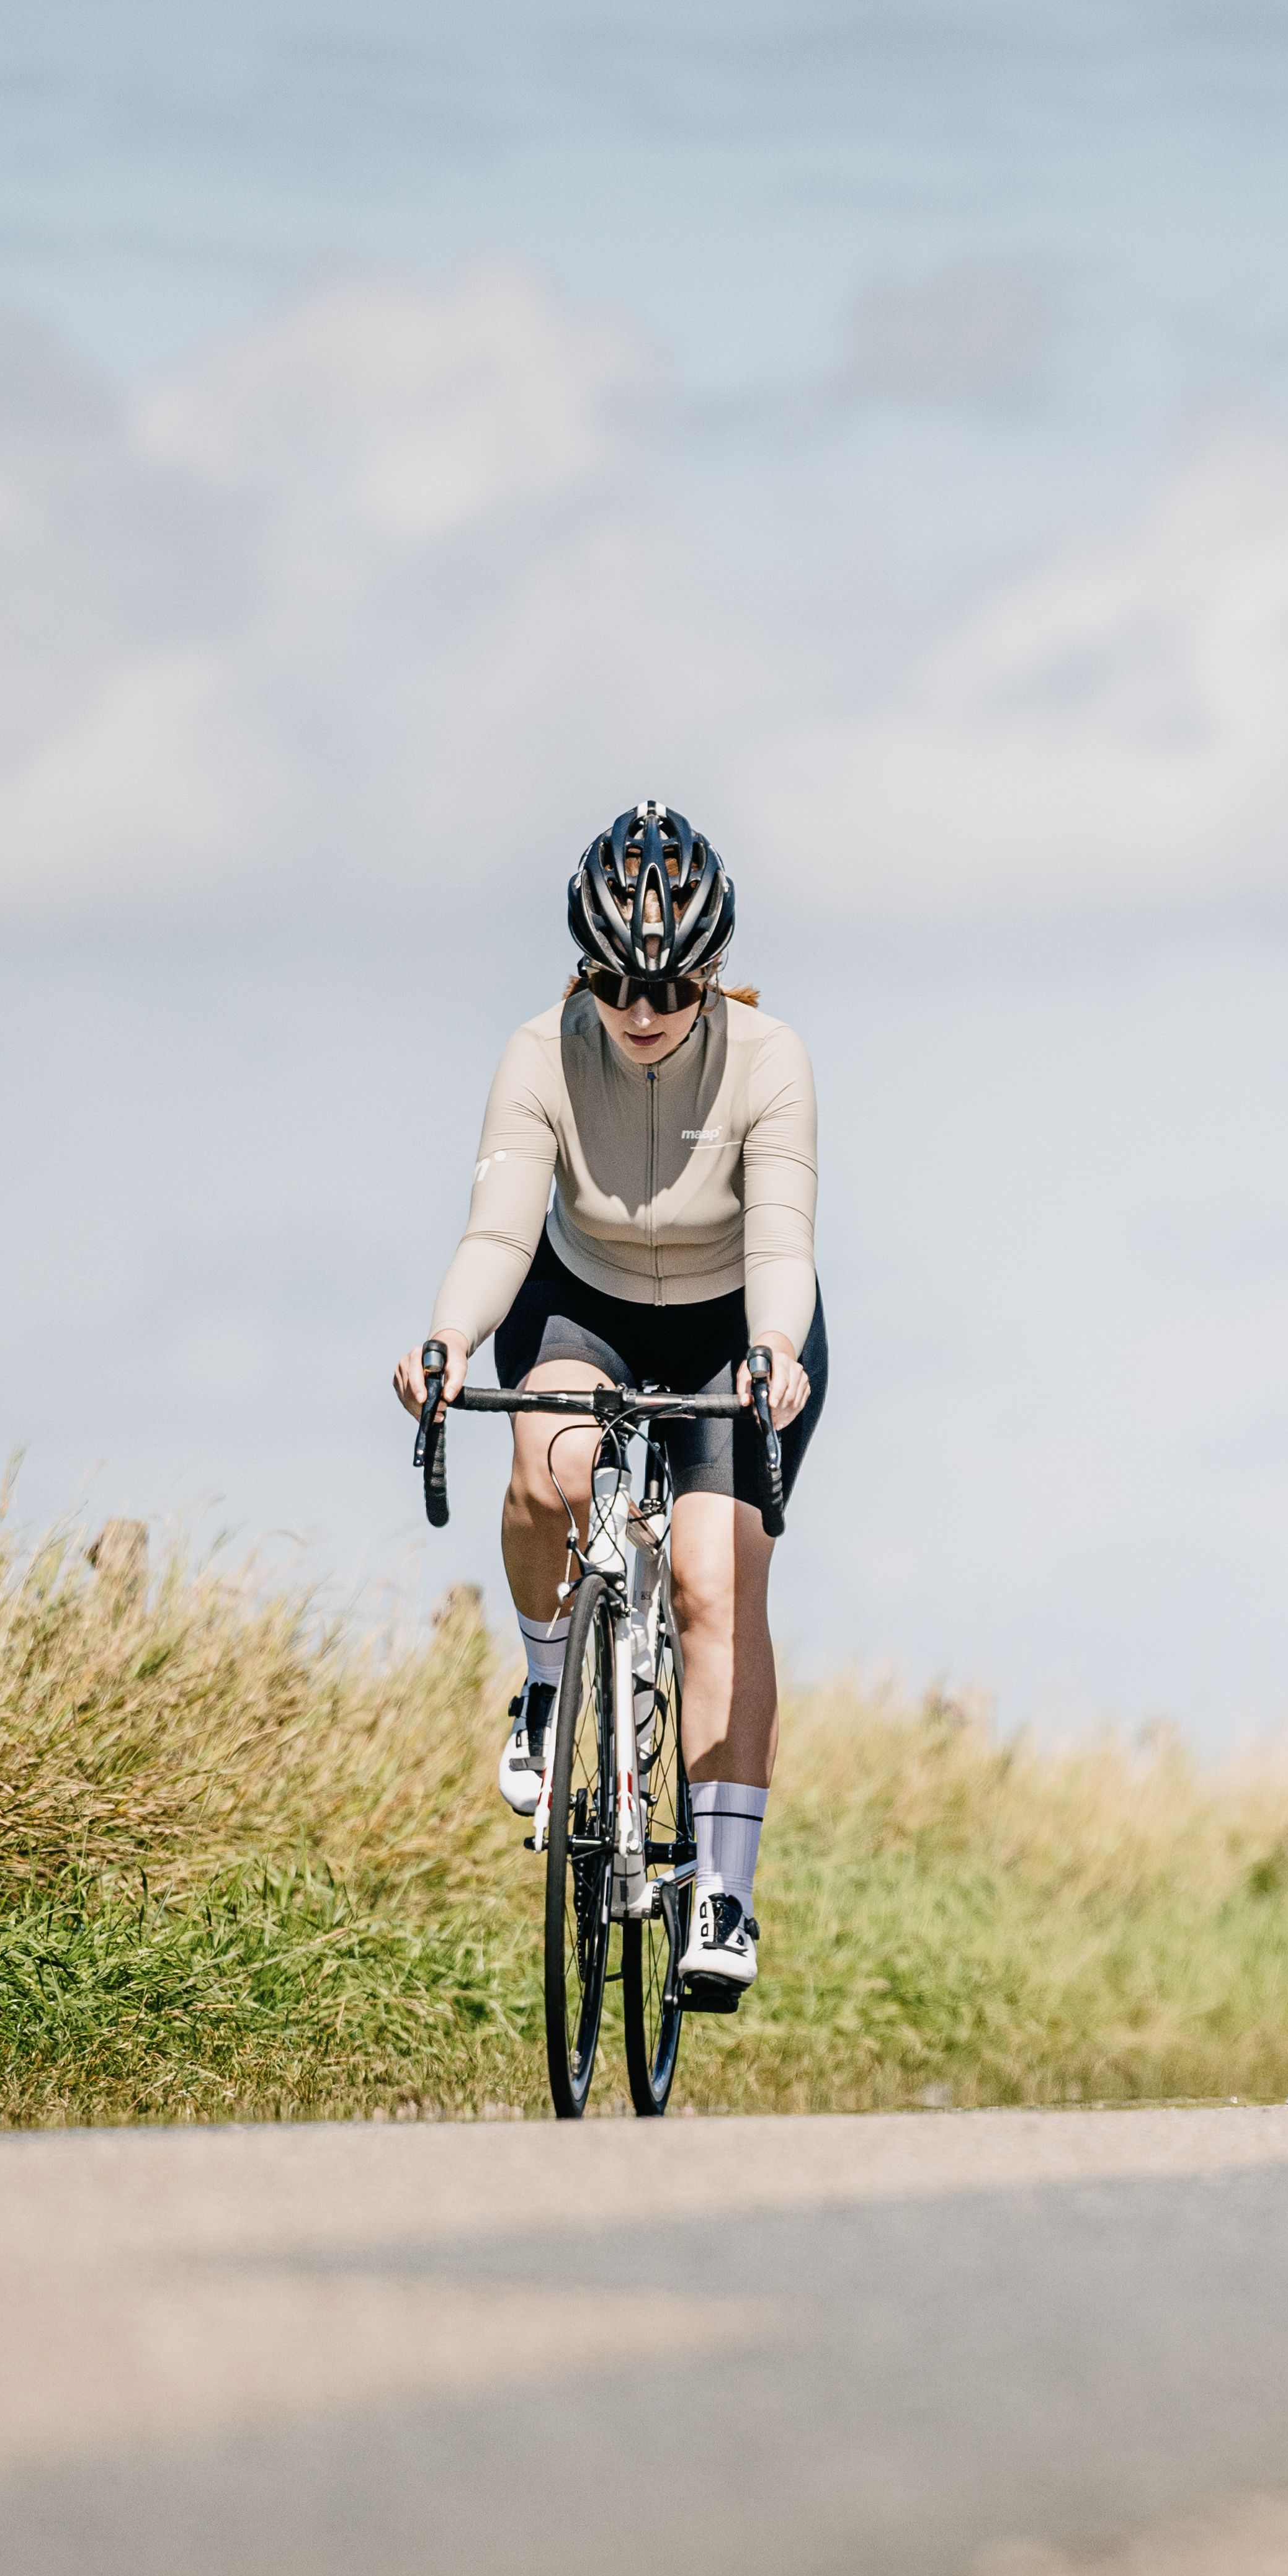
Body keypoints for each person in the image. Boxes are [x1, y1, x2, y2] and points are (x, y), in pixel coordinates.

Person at [388, 798, 824, 2008]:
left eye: (670, 990)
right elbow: (497, 1229)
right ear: (582, 968)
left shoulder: (771, 1058)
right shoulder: (539, 1052)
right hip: (579, 1298)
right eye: (616, 985)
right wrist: (445, 1334)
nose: (640, 1013)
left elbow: (783, 1237)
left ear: (710, 977)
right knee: (550, 1473)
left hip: (734, 1321)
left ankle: (723, 1892)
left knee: (708, 1582)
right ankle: (543, 1679)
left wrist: (775, 1346)